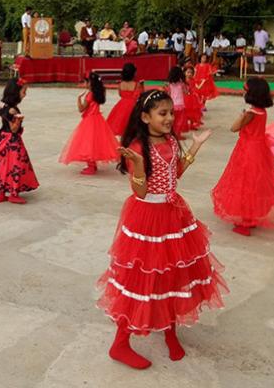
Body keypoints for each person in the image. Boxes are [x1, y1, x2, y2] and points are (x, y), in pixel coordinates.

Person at [97, 89, 227, 369]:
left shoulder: (169, 139)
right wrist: (139, 164)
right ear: (145, 117)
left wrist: (194, 147)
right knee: (141, 281)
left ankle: (170, 330)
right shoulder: (137, 147)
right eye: (162, 113)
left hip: (173, 215)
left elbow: (174, 174)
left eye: (171, 113)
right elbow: (140, 192)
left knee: (173, 275)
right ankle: (119, 344)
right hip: (148, 218)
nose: (169, 118)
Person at [211, 77, 274, 236]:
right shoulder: (262, 111)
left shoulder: (250, 112)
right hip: (259, 148)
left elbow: (233, 128)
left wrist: (241, 116)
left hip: (248, 149)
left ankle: (246, 221)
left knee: (245, 183)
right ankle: (251, 217)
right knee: (255, 182)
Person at [59, 73, 119, 175]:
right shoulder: (99, 93)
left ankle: (91, 166)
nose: (85, 84)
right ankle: (93, 165)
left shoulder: (90, 94)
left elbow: (81, 109)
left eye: (86, 82)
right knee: (95, 142)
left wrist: (78, 100)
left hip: (90, 120)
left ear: (90, 83)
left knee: (88, 143)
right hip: (98, 119)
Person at [106, 63, 143, 137]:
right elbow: (140, 95)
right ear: (133, 73)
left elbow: (120, 94)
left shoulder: (121, 84)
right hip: (133, 106)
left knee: (121, 125)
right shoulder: (137, 84)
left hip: (122, 105)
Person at [165, 66, 189, 138]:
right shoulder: (181, 84)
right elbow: (186, 92)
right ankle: (177, 134)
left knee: (172, 120)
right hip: (180, 105)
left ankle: (170, 133)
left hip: (172, 105)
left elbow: (168, 93)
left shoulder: (170, 84)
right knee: (179, 121)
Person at [183, 65, 203, 132]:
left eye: (191, 73)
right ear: (184, 72)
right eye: (188, 72)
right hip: (185, 98)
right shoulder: (183, 81)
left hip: (192, 98)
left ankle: (192, 125)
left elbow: (195, 88)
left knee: (193, 112)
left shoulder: (193, 80)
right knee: (185, 112)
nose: (189, 74)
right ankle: (184, 125)